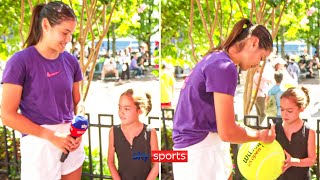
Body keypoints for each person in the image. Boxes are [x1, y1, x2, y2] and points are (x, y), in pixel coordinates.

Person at [172, 18, 276, 180]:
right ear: (254, 42)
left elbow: (222, 126)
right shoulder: (224, 66)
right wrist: (260, 136)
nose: (258, 64)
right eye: (261, 58)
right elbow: (227, 132)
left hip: (196, 151)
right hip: (200, 153)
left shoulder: (216, 59)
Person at [1, 2, 84, 180]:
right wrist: (51, 136)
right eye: (64, 32)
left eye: (71, 33)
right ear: (46, 25)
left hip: (71, 142)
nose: (69, 39)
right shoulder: (19, 62)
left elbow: (78, 102)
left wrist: (77, 130)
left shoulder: (71, 61)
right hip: (40, 144)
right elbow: (7, 115)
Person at [107, 89, 159, 180]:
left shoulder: (150, 132)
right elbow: (110, 162)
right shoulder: (113, 132)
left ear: (139, 110)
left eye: (126, 108)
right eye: (120, 107)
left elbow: (157, 164)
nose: (121, 112)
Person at [275, 87, 316, 179]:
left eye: (289, 111)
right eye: (282, 109)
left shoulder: (309, 132)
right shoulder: (275, 129)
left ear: (301, 108)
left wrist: (294, 161)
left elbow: (312, 160)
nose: (284, 114)